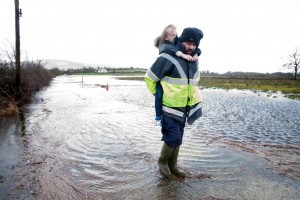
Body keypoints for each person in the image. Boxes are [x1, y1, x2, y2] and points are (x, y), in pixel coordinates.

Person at [145, 27, 204, 177]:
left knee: (179, 138)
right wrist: (160, 95)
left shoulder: (193, 60)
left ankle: (173, 165)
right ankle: (162, 162)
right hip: (169, 108)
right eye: (188, 43)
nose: (191, 47)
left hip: (184, 108)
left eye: (194, 45)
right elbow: (150, 78)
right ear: (180, 41)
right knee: (173, 137)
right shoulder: (167, 58)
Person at [153, 24, 202, 126]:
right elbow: (170, 49)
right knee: (158, 94)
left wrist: (197, 53)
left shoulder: (186, 50)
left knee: (176, 140)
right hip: (169, 107)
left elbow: (195, 47)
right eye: (172, 35)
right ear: (166, 36)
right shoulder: (167, 48)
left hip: (182, 110)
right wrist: (181, 54)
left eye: (175, 34)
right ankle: (158, 117)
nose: (175, 37)